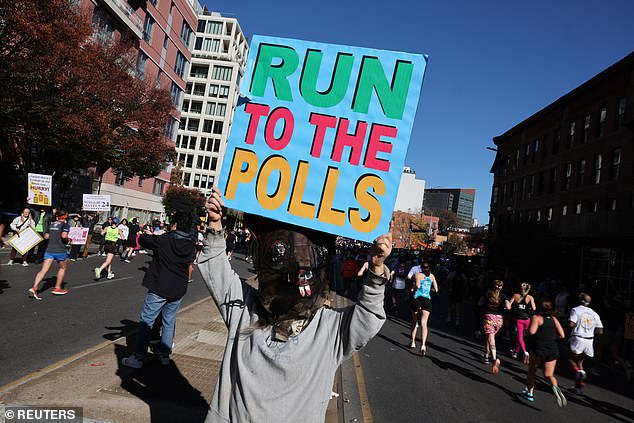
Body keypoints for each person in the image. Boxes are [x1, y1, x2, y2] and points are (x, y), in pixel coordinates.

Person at [198, 188, 392, 422]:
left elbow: (368, 317)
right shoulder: (245, 310)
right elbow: (214, 267)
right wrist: (215, 225)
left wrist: (377, 268)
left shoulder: (328, 330)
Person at [120, 212, 196, 368]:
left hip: (160, 286)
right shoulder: (190, 244)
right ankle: (164, 355)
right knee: (169, 321)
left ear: (174, 225)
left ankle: (139, 357)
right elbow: (190, 265)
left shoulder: (164, 239)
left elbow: (141, 240)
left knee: (147, 321)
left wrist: (145, 234)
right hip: (179, 287)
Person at [519, 298, 567, 407]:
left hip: (539, 347)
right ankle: (555, 388)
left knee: (532, 371)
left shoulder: (537, 318)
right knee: (548, 374)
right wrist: (552, 338)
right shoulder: (554, 319)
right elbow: (562, 335)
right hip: (552, 348)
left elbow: (531, 332)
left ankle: (529, 393)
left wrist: (526, 332)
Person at [28, 210, 71, 299]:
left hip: (49, 250)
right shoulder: (65, 225)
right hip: (60, 250)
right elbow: (63, 236)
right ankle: (57, 288)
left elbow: (46, 236)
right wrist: (68, 240)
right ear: (65, 216)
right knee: (62, 268)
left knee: (43, 270)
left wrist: (54, 236)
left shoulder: (51, 224)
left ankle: (34, 287)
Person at [568, 293, 603, 394]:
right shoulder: (595, 314)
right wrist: (589, 331)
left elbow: (571, 324)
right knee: (580, 362)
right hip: (589, 340)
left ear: (580, 300)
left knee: (570, 358)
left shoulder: (576, 310)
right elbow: (600, 331)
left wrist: (566, 321)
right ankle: (578, 387)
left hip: (578, 338)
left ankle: (579, 373)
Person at [479, 280, 511, 373]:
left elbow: (480, 302)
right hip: (499, 320)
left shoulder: (488, 293)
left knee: (491, 339)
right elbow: (508, 306)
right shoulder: (503, 296)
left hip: (489, 317)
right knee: (489, 337)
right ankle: (486, 355)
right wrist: (505, 305)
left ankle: (494, 359)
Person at [409, 262, 439, 356]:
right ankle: (423, 345)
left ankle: (413, 342)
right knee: (424, 324)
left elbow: (417, 286)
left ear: (420, 268)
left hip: (417, 299)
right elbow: (436, 289)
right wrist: (428, 289)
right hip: (427, 300)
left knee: (414, 321)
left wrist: (413, 287)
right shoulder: (432, 276)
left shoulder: (417, 275)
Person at [509, 282, 536, 361]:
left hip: (519, 319)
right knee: (521, 337)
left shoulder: (515, 295)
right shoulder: (530, 297)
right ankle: (516, 351)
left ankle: (525, 352)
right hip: (527, 319)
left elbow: (509, 306)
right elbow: (534, 308)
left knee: (520, 337)